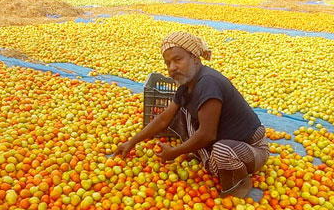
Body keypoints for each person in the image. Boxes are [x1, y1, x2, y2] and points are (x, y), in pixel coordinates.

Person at [115, 32, 269, 198]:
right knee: (181, 112)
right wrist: (131, 142)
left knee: (221, 151)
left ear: (195, 57)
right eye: (168, 63)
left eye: (177, 59)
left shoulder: (208, 82)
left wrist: (174, 152)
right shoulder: (186, 86)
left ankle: (240, 181)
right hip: (225, 139)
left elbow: (207, 134)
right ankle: (206, 157)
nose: (172, 67)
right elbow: (163, 119)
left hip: (251, 147)